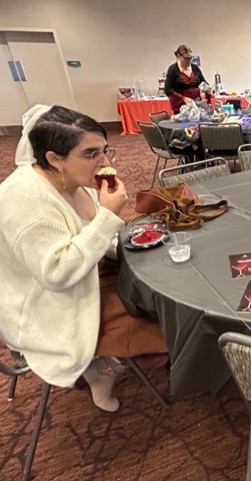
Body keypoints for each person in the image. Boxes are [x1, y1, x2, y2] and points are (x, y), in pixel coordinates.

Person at [0, 105, 167, 412]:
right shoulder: (27, 201)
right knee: (159, 317)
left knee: (161, 284)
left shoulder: (69, 181)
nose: (104, 163)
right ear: (53, 159)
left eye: (105, 150)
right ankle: (102, 368)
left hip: (84, 273)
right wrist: (108, 215)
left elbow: (95, 240)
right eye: (91, 154)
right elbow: (57, 274)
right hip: (44, 303)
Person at [164, 44, 209, 114]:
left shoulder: (195, 68)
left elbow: (203, 82)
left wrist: (208, 89)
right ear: (178, 56)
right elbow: (167, 90)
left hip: (196, 105)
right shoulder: (172, 69)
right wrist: (183, 98)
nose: (188, 61)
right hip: (181, 108)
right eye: (186, 59)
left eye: (190, 59)